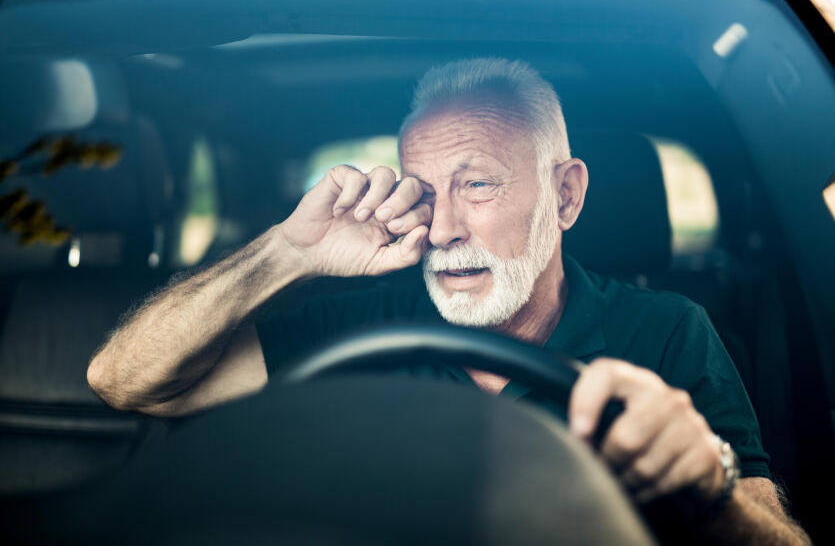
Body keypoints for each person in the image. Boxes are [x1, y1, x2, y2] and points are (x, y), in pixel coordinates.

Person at [87, 58, 810, 544]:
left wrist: (707, 486)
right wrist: (286, 254)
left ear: (565, 195)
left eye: (476, 185)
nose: (440, 227)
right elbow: (126, 383)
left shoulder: (667, 332)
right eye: (424, 193)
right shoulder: (355, 321)